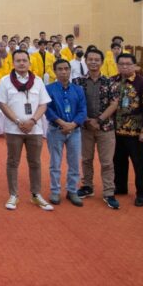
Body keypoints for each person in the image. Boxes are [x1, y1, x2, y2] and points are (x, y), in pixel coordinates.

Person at [0, 50, 54, 211]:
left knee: (35, 162)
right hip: (13, 129)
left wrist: (32, 121)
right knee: (13, 162)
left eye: (24, 60)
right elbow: (2, 104)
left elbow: (43, 104)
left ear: (29, 62)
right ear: (13, 63)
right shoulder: (5, 81)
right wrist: (17, 121)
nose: (21, 63)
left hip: (34, 129)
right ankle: (13, 195)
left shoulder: (38, 81)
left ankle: (36, 194)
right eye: (18, 60)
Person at [73, 49, 121, 209]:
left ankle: (109, 192)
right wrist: (86, 120)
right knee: (86, 159)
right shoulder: (78, 82)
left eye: (96, 60)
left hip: (105, 127)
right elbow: (76, 103)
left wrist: (99, 120)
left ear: (101, 62)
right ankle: (87, 186)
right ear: (85, 61)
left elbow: (114, 104)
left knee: (107, 162)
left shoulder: (110, 82)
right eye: (90, 59)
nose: (93, 62)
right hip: (85, 127)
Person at [113, 53, 143, 207]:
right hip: (115, 129)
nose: (124, 67)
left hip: (135, 131)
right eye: (121, 64)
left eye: (128, 64)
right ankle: (120, 186)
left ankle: (142, 193)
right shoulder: (112, 81)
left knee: (138, 163)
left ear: (135, 65)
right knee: (118, 160)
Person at [45, 59, 87, 207]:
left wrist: (73, 125)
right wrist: (62, 124)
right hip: (56, 130)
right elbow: (47, 109)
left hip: (75, 131)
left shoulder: (78, 89)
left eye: (66, 69)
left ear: (70, 70)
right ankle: (55, 191)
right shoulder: (48, 89)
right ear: (55, 72)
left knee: (74, 162)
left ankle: (72, 190)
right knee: (55, 162)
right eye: (60, 69)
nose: (64, 72)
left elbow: (83, 110)